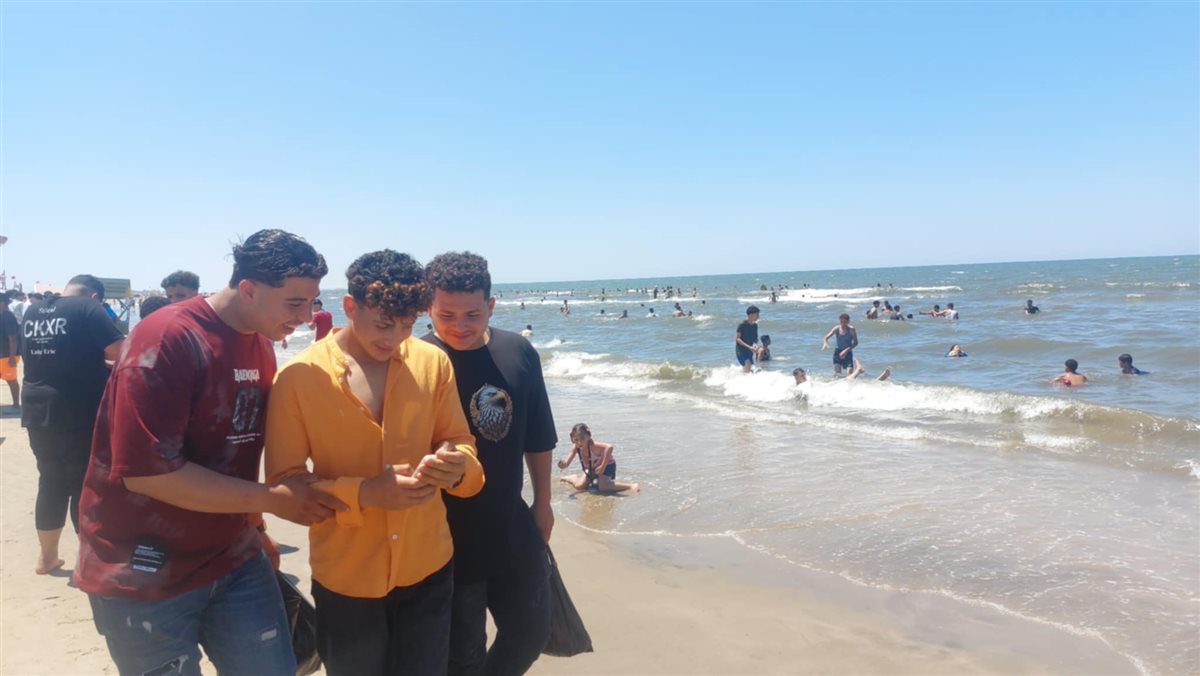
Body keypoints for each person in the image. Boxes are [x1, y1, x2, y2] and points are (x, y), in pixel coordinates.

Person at [75, 230, 347, 676]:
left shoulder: (260, 342)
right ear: (249, 289)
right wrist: (272, 500)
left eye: (312, 302)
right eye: (295, 303)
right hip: (142, 568)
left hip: (233, 555)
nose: (306, 316)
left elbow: (235, 448)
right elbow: (148, 473)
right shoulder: (167, 338)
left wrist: (256, 525)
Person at [266, 250, 484, 675]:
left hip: (428, 565)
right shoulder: (298, 378)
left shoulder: (432, 361)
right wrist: (365, 493)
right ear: (350, 307)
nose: (396, 338)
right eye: (384, 324)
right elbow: (284, 486)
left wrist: (457, 465)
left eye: (408, 325)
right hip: (347, 577)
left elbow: (461, 442)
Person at [423, 252, 557, 676]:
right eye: (447, 315)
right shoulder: (417, 360)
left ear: (491, 306)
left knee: (531, 632)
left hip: (509, 519)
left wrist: (543, 503)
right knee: (463, 652)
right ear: (428, 308)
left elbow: (538, 435)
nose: (460, 326)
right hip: (445, 533)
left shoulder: (518, 351)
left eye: (472, 314)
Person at [20, 275, 125, 574]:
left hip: (37, 406)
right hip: (76, 407)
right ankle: (88, 561)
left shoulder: (33, 310)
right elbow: (121, 351)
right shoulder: (86, 308)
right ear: (95, 297)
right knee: (84, 482)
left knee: (50, 480)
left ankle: (47, 558)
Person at [557, 423, 639, 493]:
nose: (579, 442)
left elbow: (609, 447)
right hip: (592, 468)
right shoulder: (576, 447)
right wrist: (563, 465)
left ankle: (630, 486)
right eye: (576, 439)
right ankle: (572, 478)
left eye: (582, 438)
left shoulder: (593, 445)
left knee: (603, 487)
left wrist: (602, 467)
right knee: (580, 487)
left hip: (607, 465)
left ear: (588, 436)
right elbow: (566, 463)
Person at [0, 292, 21, 411]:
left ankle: (16, 405)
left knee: (11, 380)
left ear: (2, 303)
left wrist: (12, 357)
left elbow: (13, 338)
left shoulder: (8, 317)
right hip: (2, 354)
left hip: (7, 355)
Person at [735, 305, 763, 373]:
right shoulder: (742, 325)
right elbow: (737, 339)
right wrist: (749, 347)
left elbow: (755, 338)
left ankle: (757, 366)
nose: (758, 317)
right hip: (741, 350)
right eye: (757, 315)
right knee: (748, 367)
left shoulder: (755, 325)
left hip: (750, 350)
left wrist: (755, 346)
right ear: (750, 315)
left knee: (761, 350)